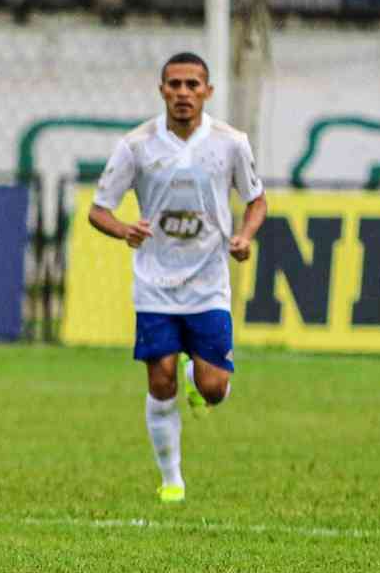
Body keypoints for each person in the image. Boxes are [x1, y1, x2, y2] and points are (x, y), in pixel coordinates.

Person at [88, 52, 267, 504]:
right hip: (155, 284)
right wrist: (124, 230)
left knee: (212, 388)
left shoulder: (230, 142)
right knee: (160, 379)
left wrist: (245, 236)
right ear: (162, 90)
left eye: (193, 85)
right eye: (175, 85)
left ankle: (201, 376)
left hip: (209, 284)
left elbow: (256, 200)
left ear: (208, 91)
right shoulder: (137, 145)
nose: (183, 93)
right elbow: (98, 210)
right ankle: (172, 480)